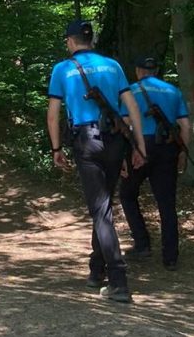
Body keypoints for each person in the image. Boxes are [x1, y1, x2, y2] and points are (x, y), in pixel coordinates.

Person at [47, 19, 147, 304]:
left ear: (70, 41)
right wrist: (139, 146)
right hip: (115, 141)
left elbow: (53, 114)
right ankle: (96, 270)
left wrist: (56, 148)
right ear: (90, 40)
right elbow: (132, 108)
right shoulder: (113, 66)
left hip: (86, 141)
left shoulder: (62, 69)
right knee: (103, 206)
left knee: (101, 211)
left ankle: (119, 281)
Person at [119, 55, 192, 271]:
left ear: (138, 71)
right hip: (167, 148)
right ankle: (170, 257)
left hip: (140, 148)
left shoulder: (130, 91)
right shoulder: (173, 91)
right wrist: (182, 152)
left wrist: (124, 155)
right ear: (157, 71)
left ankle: (142, 244)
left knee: (127, 194)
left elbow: (124, 124)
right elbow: (185, 126)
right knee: (167, 203)